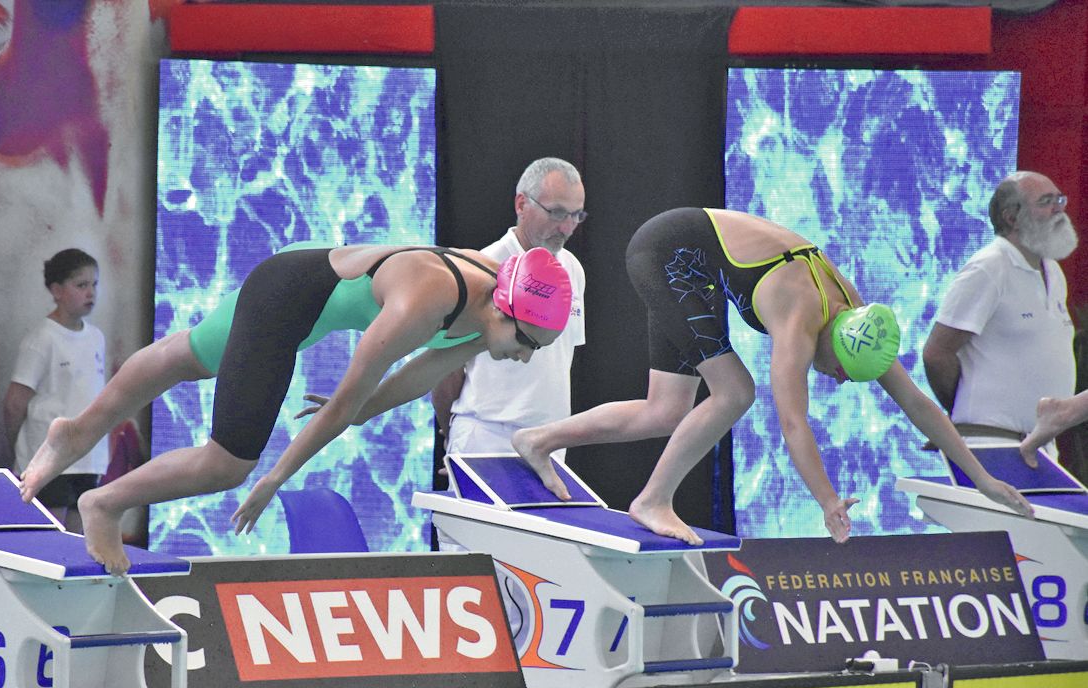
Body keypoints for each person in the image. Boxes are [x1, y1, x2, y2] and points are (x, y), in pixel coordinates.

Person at [20, 243, 574, 575]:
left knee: (187, 355)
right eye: (526, 343)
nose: (525, 357)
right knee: (226, 465)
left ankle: (76, 431)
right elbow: (344, 403)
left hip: (306, 269)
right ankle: (104, 503)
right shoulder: (427, 300)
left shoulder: (491, 304)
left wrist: (362, 409)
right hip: (286, 303)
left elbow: (420, 375)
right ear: (502, 310)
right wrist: (273, 479)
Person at [513, 207, 1034, 546]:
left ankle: (539, 441)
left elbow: (917, 402)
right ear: (831, 345)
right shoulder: (800, 319)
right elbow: (792, 424)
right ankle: (652, 501)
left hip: (688, 259)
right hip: (668, 253)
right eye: (839, 371)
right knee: (735, 393)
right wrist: (828, 502)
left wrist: (981, 479)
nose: (838, 380)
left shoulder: (857, 320)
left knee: (666, 410)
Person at [433, 157, 588, 454]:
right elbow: (442, 369)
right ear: (521, 204)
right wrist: (454, 439)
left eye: (576, 215)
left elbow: (556, 364)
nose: (567, 227)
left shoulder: (572, 269)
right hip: (486, 434)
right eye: (557, 213)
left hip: (550, 439)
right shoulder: (479, 269)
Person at [923, 172, 1078, 450]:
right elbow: (937, 353)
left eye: (1060, 200)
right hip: (990, 441)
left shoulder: (1053, 271)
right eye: (1046, 202)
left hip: (1038, 444)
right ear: (1011, 217)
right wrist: (970, 414)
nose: (1058, 209)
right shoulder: (989, 267)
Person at [5, 248, 107, 533]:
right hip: (50, 458)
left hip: (88, 459)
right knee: (50, 535)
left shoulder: (96, 337)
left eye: (94, 284)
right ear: (57, 290)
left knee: (81, 538)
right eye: (81, 285)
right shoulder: (42, 338)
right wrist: (21, 449)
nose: (90, 292)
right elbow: (14, 403)